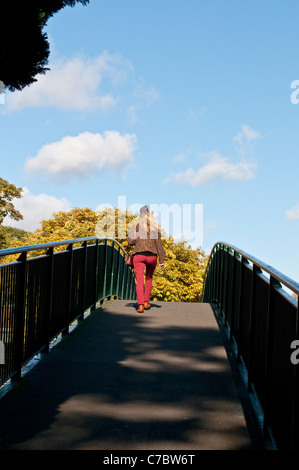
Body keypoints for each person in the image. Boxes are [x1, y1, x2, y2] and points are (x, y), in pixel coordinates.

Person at [128, 205, 165, 313]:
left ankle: (140, 306)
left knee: (139, 281)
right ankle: (146, 302)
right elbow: (159, 246)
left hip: (139, 256)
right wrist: (161, 261)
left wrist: (137, 241)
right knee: (149, 278)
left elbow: (130, 241)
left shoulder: (137, 227)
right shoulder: (155, 229)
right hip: (152, 257)